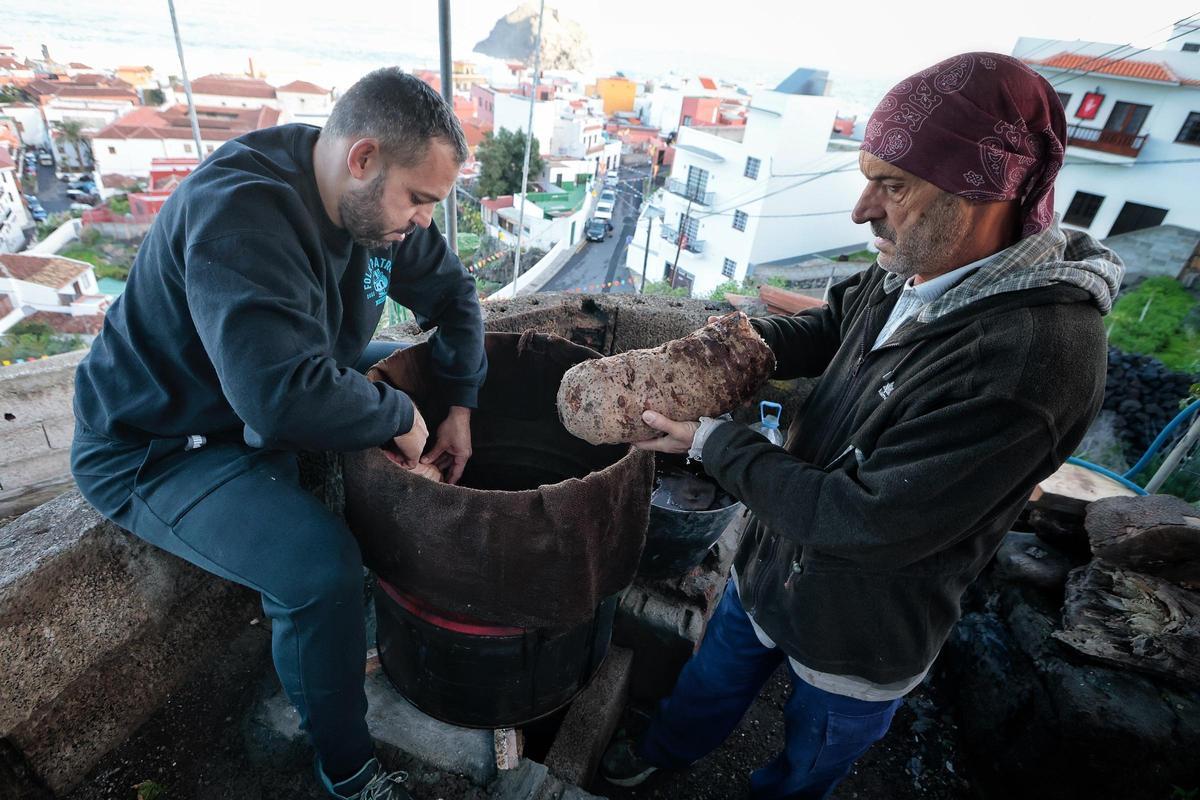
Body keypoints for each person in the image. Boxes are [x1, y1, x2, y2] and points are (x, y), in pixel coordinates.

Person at [601, 52, 1124, 799]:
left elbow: (866, 520)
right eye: (868, 176)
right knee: (707, 685)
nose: (861, 210)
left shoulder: (1035, 362)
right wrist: (724, 357)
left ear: (981, 194)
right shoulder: (917, 261)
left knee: (812, 756)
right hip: (772, 567)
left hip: (862, 633)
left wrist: (714, 443)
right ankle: (664, 748)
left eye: (892, 186)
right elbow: (836, 324)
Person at [70, 68, 486, 800]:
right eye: (419, 199)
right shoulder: (241, 214)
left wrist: (456, 404)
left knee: (401, 371)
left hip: (273, 381)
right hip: (160, 444)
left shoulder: (374, 214)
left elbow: (455, 295)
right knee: (321, 571)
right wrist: (402, 417)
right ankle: (350, 772)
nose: (425, 221)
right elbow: (277, 399)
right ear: (362, 159)